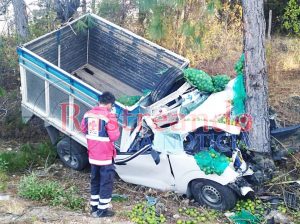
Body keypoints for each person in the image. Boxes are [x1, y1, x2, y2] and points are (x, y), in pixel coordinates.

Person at [80, 91, 120, 218]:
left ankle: (94, 207)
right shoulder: (109, 116)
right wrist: (113, 119)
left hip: (93, 155)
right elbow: (114, 136)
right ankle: (102, 210)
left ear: (99, 102)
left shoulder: (88, 114)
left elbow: (83, 129)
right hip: (105, 156)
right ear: (110, 104)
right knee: (106, 182)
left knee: (95, 180)